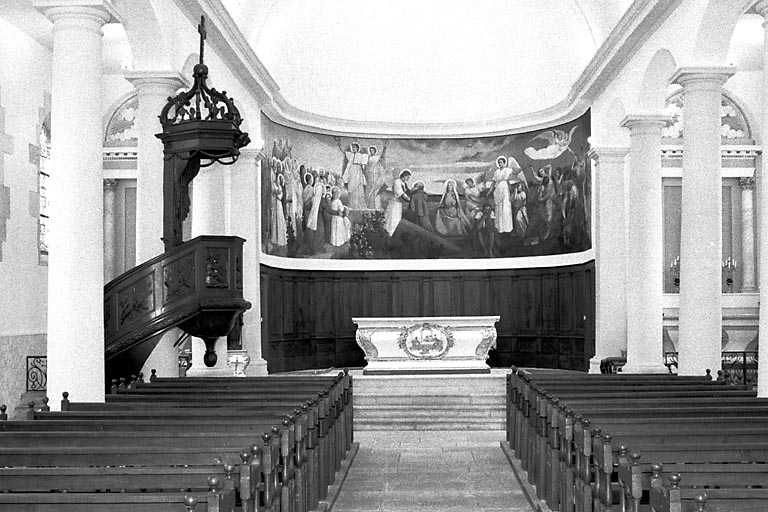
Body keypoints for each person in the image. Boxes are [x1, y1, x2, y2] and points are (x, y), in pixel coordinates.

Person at [338, 141, 367, 209]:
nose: (354, 149)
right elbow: (348, 165)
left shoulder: (360, 155)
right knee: (351, 187)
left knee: (358, 187)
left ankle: (359, 205)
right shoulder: (350, 155)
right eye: (353, 148)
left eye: (355, 148)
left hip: (358, 171)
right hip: (352, 172)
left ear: (357, 148)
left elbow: (363, 164)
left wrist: (362, 167)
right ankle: (352, 205)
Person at [489, 156, 514, 233]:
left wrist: (512, 191)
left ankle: (507, 228)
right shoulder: (496, 172)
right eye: (499, 162)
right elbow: (493, 182)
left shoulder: (508, 170)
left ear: (504, 163)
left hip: (505, 188)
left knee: (505, 207)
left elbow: (511, 180)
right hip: (498, 189)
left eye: (501, 162)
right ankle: (499, 227)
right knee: (499, 207)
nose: (500, 164)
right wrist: (490, 190)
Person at [385, 169, 412, 235]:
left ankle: (394, 235)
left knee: (397, 220)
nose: (408, 179)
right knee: (392, 221)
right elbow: (401, 194)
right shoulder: (397, 182)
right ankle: (389, 234)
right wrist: (409, 200)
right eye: (408, 177)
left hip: (399, 205)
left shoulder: (404, 184)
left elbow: (408, 192)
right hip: (394, 204)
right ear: (404, 176)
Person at [365, 143, 387, 208]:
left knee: (374, 190)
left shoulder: (376, 157)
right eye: (370, 151)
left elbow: (382, 157)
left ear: (375, 151)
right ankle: (369, 206)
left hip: (375, 175)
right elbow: (366, 166)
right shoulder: (368, 157)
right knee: (368, 190)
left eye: (372, 151)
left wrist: (384, 149)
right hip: (369, 175)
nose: (371, 152)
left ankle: (375, 206)